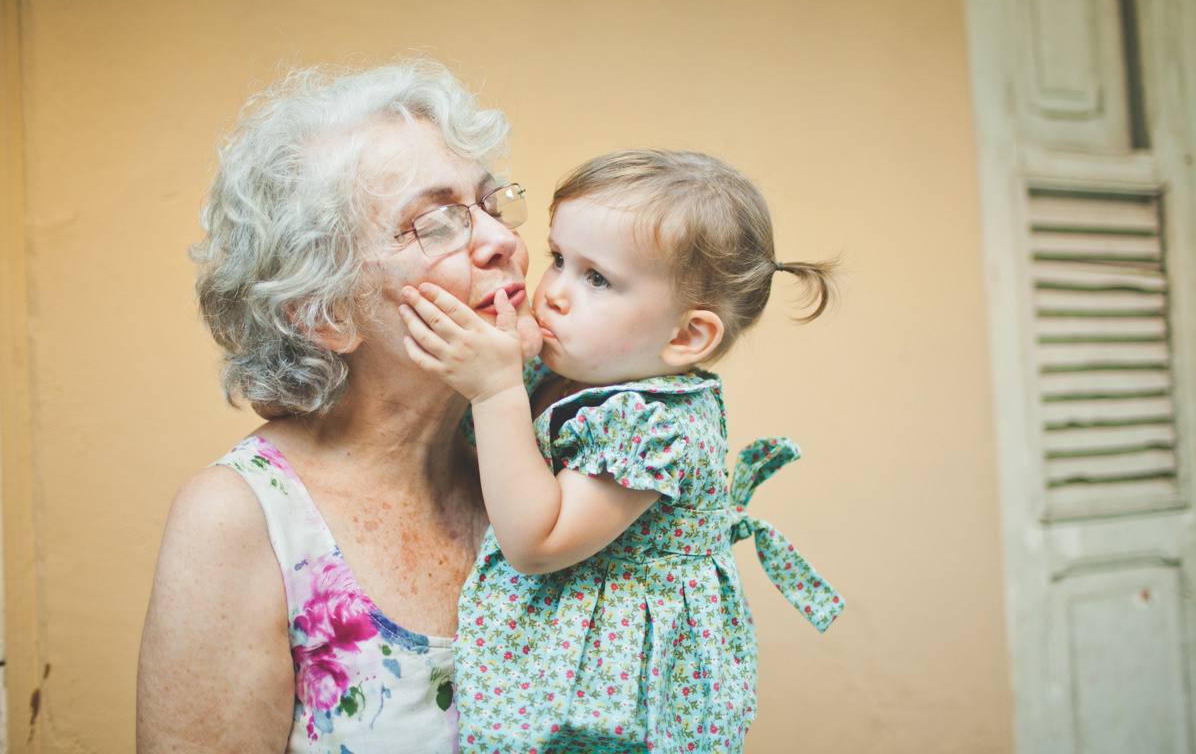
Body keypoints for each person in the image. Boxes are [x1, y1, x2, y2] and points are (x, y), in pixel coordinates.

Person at [136, 59, 542, 753]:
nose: (503, 240)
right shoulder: (241, 519)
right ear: (325, 314)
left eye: (492, 206)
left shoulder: (543, 458)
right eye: (437, 223)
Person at [400, 149, 845, 753]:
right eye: (559, 259)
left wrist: (495, 388)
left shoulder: (654, 429)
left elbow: (536, 543)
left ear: (688, 336)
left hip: (620, 697)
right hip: (560, 669)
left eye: (597, 279)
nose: (553, 292)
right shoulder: (569, 372)